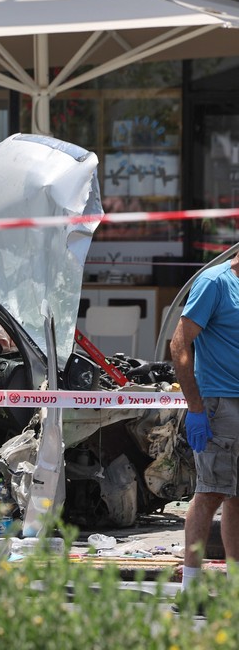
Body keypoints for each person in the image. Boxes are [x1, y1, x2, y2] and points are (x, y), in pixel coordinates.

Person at [170, 253, 239, 594]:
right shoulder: (215, 282)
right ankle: (191, 588)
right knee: (211, 492)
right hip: (218, 403)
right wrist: (196, 406)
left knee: (237, 497)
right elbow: (179, 344)